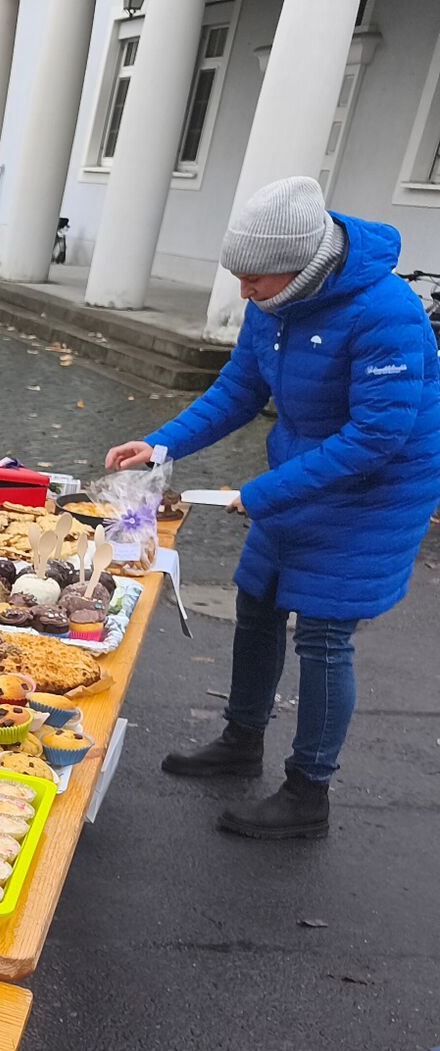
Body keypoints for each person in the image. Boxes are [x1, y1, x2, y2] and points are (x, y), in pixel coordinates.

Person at [104, 176, 440, 839]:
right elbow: (238, 389)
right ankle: (241, 738)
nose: (244, 291)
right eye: (240, 275)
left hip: (373, 491)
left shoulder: (385, 311)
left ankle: (307, 789)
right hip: (302, 476)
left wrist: (259, 493)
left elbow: (379, 436)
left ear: (303, 263)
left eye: (255, 278)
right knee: (257, 600)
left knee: (322, 633)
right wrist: (163, 443)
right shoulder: (274, 303)